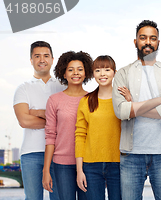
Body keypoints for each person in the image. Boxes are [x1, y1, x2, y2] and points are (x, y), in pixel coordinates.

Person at [112, 20, 161, 200]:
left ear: (158, 43)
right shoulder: (123, 73)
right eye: (143, 38)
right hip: (131, 155)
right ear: (135, 42)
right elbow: (121, 112)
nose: (148, 42)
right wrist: (159, 100)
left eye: (153, 38)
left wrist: (134, 105)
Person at [13, 41, 64, 200]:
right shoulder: (23, 88)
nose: (42, 59)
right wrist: (55, 120)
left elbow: (70, 120)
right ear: (31, 60)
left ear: (52, 59)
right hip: (31, 153)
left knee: (59, 197)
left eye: (46, 55)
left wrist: (38, 113)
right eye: (37, 56)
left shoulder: (62, 87)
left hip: (59, 152)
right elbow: (24, 121)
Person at [43, 51, 93, 200]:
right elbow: (50, 136)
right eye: (70, 69)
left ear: (86, 73)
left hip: (89, 163)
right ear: (64, 74)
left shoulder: (93, 99)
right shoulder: (54, 100)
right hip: (62, 164)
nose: (75, 73)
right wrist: (46, 170)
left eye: (80, 69)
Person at [75, 55, 123, 200]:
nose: (102, 74)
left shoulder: (122, 99)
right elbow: (80, 135)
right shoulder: (86, 101)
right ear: (93, 74)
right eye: (98, 70)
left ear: (114, 72)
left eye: (107, 69)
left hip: (119, 164)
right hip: (91, 166)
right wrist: (79, 170)